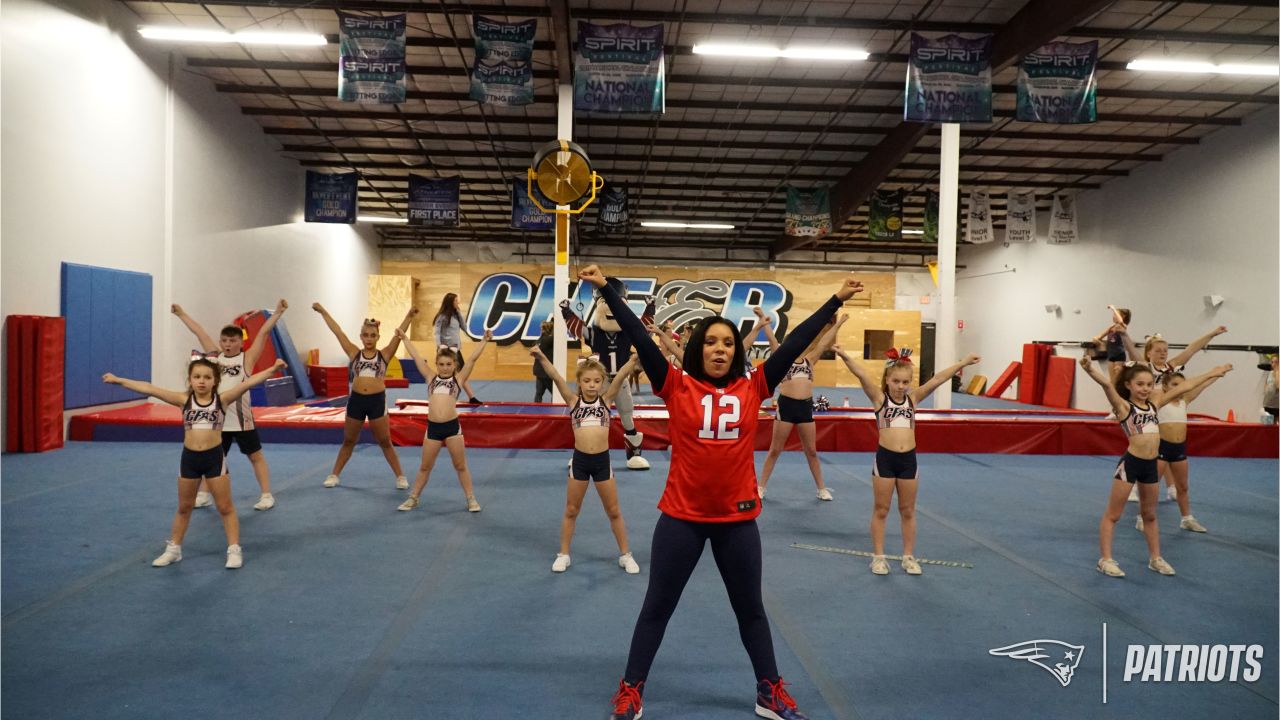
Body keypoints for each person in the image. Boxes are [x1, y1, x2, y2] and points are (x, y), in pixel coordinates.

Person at [583, 263, 864, 720]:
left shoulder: (755, 385)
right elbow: (637, 334)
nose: (719, 349)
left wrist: (836, 300)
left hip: (737, 521)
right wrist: (605, 291)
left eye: (728, 342)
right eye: (711, 341)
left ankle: (768, 692)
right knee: (657, 607)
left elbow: (794, 343)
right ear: (698, 347)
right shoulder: (676, 384)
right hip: (681, 518)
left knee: (750, 609)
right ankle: (632, 689)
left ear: (737, 351)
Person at [103, 357, 286, 569]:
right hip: (189, 459)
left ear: (215, 381)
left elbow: (248, 383)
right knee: (184, 507)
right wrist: (119, 380)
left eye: (207, 377)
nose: (201, 381)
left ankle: (234, 549)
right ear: (190, 380)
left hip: (214, 459)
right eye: (197, 377)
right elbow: (150, 388)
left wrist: (272, 369)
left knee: (225, 507)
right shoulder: (184, 400)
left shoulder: (223, 400)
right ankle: (174, 549)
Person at [1080, 356, 1231, 578]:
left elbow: (1186, 385)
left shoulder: (1155, 405)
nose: (1145, 388)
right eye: (1140, 384)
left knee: (1149, 515)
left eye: (1149, 384)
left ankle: (1155, 558)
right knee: (1114, 515)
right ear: (1128, 385)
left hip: (1151, 465)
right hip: (1130, 464)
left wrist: (1213, 372)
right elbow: (1106, 384)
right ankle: (1106, 560)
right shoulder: (1123, 407)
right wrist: (1089, 369)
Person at [833, 346, 979, 575]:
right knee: (881, 509)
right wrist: (843, 355)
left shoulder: (913, 399)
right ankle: (878, 557)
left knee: (908, 510)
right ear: (887, 380)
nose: (901, 386)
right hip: (885, 459)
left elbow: (939, 378)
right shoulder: (879, 399)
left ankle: (908, 556)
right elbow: (861, 374)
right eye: (896, 381)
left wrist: (963, 362)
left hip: (909, 460)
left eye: (905, 382)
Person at [531, 346, 640, 574]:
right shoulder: (573, 402)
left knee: (613, 510)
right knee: (571, 510)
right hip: (580, 462)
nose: (592, 385)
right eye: (587, 381)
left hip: (602, 462)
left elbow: (620, 376)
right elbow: (555, 376)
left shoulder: (606, 401)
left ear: (602, 383)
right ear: (579, 383)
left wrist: (634, 359)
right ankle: (563, 554)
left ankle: (625, 555)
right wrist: (541, 356)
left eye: (596, 381)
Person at [171, 300, 287, 511]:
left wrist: (278, 313)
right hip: (218, 421)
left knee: (255, 456)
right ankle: (205, 493)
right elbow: (200, 332)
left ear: (240, 342)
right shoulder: (215, 358)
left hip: (242, 420)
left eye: (232, 341)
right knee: (213, 457)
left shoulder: (247, 358)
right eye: (224, 341)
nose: (227, 344)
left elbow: (262, 333)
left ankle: (266, 494)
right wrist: (181, 314)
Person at [312, 303, 416, 489]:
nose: (369, 339)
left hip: (376, 401)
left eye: (372, 335)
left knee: (385, 441)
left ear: (378, 337)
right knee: (349, 440)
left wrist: (409, 315)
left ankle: (400, 476)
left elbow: (398, 335)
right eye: (366, 335)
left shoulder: (384, 354)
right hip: (357, 401)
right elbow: (338, 332)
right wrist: (323, 312)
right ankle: (334, 474)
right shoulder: (354, 353)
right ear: (361, 337)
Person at [396, 327, 492, 513]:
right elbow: (416, 357)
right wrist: (404, 338)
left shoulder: (458, 380)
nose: (445, 367)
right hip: (433, 428)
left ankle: (470, 498)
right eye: (441, 364)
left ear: (455, 365)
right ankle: (414, 497)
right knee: (425, 467)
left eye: (449, 364)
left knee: (460, 465)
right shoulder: (431, 378)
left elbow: (472, 359)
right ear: (436, 364)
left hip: (452, 427)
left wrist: (485, 340)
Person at [757, 308, 846, 502]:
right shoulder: (782, 359)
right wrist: (762, 319)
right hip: (786, 406)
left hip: (805, 407)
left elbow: (823, 343)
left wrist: (838, 324)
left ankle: (821, 488)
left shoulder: (810, 360)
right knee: (775, 449)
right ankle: (761, 486)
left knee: (811, 451)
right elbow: (772, 340)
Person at [1136, 368, 1232, 534]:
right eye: (1175, 385)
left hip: (1178, 449)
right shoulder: (1159, 400)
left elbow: (1201, 386)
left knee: (1183, 487)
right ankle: (1142, 517)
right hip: (1161, 447)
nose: (1180, 388)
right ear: (1165, 386)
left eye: (1182, 385)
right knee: (1152, 487)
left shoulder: (1184, 401)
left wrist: (1216, 374)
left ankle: (1186, 518)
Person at [434, 293, 480, 404]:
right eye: (456, 301)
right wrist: (440, 347)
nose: (458, 302)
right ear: (450, 302)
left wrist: (459, 313)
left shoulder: (456, 315)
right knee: (447, 374)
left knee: (462, 373)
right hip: (446, 350)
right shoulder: (442, 316)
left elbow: (464, 327)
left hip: (456, 349)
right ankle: (443, 396)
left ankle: (472, 397)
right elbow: (437, 333)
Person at [533, 319, 556, 402]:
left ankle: (536, 410)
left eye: (542, 328)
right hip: (546, 372)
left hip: (540, 371)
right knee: (556, 393)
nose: (541, 330)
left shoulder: (540, 340)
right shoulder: (549, 340)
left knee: (538, 393)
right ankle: (555, 408)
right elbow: (557, 334)